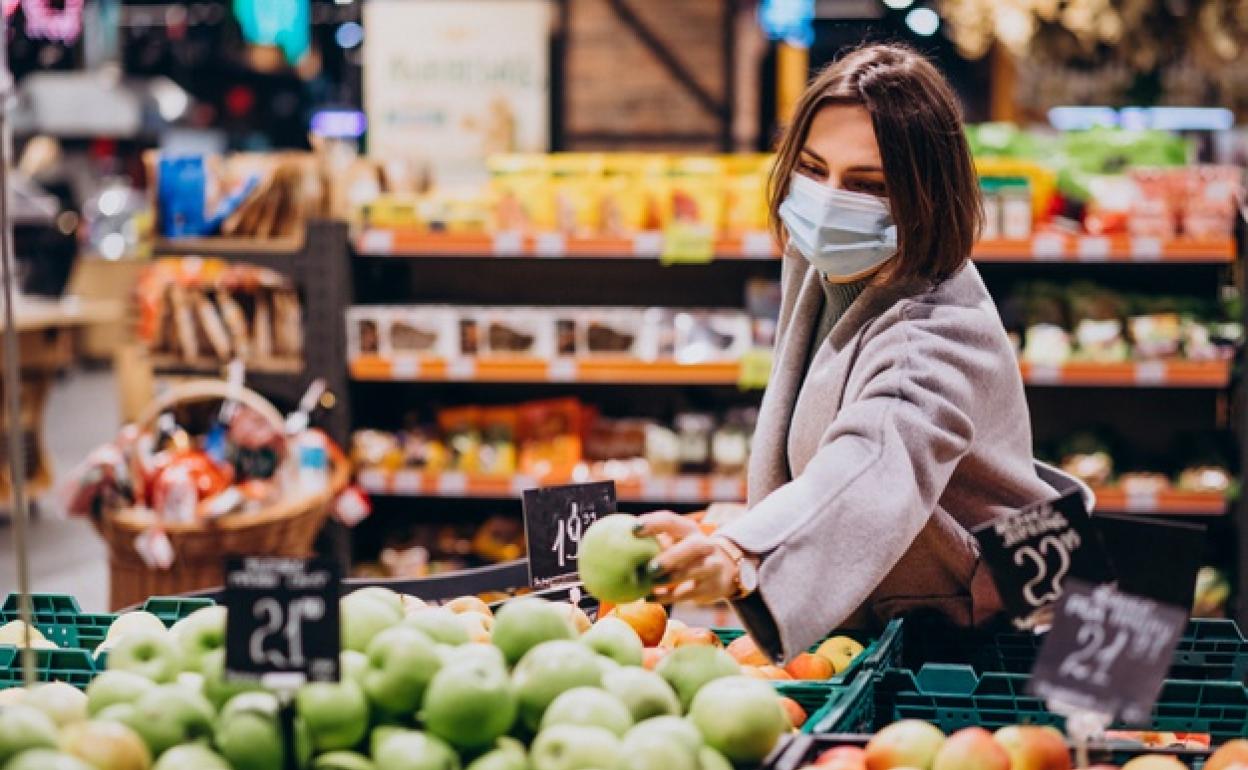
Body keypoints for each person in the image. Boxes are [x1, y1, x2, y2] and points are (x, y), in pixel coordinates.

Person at [638, 43, 1084, 662]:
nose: (826, 201)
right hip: (897, 617)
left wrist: (748, 552)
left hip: (980, 644)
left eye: (867, 185)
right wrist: (746, 517)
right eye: (813, 169)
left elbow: (875, 456)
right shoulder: (832, 268)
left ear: (927, 194)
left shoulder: (934, 333)